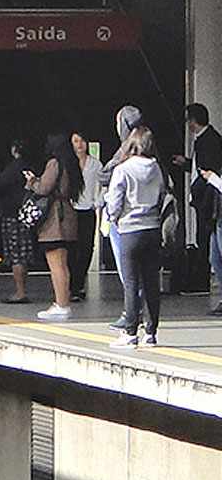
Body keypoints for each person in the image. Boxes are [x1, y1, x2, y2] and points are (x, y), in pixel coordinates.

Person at [105, 129, 165, 347]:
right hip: (152, 228)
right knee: (151, 282)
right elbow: (161, 194)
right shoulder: (157, 168)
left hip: (130, 230)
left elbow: (114, 202)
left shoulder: (123, 169)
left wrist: (113, 218)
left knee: (131, 283)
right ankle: (151, 332)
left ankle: (130, 332)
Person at [26, 132, 84, 320]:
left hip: (55, 220)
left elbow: (44, 187)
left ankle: (61, 304)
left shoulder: (54, 163)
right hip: (68, 215)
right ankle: (63, 302)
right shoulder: (72, 164)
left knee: (56, 264)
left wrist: (32, 181)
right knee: (64, 264)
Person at [174, 103, 222, 305]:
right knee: (211, 247)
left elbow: (207, 171)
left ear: (193, 121)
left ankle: (201, 281)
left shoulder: (209, 140)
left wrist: (200, 194)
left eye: (188, 120)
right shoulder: (203, 139)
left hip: (211, 202)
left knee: (211, 245)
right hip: (208, 201)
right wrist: (186, 163)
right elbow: (198, 168)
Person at [0, 139, 34, 303]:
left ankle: (20, 292)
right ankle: (23, 289)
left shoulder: (13, 168)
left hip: (12, 214)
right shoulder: (30, 167)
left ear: (14, 150)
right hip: (26, 215)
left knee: (15, 254)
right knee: (24, 254)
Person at [70, 131, 102, 301]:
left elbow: (101, 186)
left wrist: (97, 202)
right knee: (72, 249)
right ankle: (71, 286)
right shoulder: (68, 163)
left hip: (88, 210)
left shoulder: (95, 164)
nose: (80, 144)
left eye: (82, 140)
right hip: (71, 209)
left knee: (87, 248)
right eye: (76, 141)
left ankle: (79, 283)